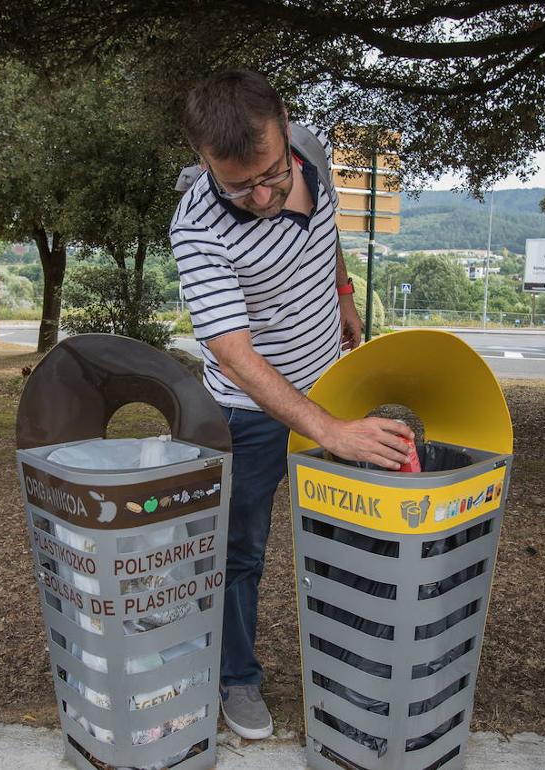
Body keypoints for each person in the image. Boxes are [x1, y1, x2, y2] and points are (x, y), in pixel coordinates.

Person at [170, 69, 414, 740]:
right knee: (238, 551)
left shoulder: (309, 145)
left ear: (285, 126)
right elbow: (235, 356)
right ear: (202, 159)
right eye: (238, 185)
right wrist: (329, 431)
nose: (263, 196)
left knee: (348, 536)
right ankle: (237, 678)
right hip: (248, 417)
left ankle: (351, 670)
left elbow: (326, 227)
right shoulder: (196, 230)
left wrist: (342, 295)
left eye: (273, 175)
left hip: (333, 390)